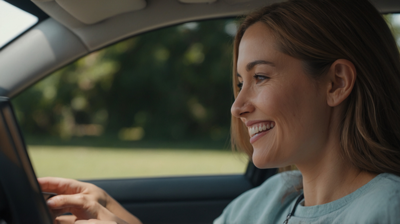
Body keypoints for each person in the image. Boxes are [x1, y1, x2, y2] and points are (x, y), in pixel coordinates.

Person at [39, 0, 400, 223]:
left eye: (260, 77)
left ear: (336, 83)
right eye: (241, 83)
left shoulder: (386, 208)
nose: (238, 107)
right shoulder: (273, 197)